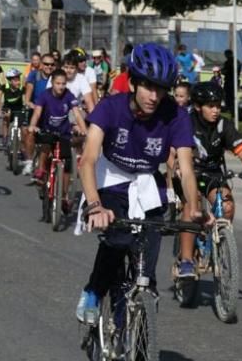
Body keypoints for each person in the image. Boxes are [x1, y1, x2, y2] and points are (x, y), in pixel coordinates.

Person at [75, 42, 207, 324]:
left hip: (147, 183)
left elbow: (185, 168)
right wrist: (95, 206)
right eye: (148, 86)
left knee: (148, 259)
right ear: (133, 82)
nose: (154, 95)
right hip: (110, 179)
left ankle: (141, 354)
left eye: (161, 88)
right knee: (119, 238)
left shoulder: (176, 114)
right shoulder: (110, 107)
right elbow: (87, 159)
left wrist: (194, 208)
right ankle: (94, 291)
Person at [172, 82, 242, 279]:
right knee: (190, 205)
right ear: (197, 106)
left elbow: (241, 149)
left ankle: (220, 242)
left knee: (227, 205)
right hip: (188, 173)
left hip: (213, 173)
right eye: (210, 106)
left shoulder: (224, 125)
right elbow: (171, 152)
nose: (215, 110)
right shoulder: (185, 122)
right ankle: (186, 261)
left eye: (218, 106)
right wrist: (175, 167)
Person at [28, 68, 88, 207]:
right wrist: (32, 125)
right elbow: (37, 113)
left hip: (63, 133)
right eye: (58, 83)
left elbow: (77, 114)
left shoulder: (69, 95)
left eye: (63, 83)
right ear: (52, 83)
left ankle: (64, 195)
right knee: (46, 143)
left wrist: (84, 130)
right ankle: (41, 169)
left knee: (66, 164)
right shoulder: (44, 95)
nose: (61, 86)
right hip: (47, 130)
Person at [23, 53, 56, 175]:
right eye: (46, 64)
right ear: (41, 65)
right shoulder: (34, 75)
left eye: (52, 64)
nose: (49, 67)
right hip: (36, 110)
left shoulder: (56, 77)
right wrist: (29, 103)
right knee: (30, 133)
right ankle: (29, 161)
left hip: (51, 113)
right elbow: (28, 94)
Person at [0, 68, 27, 149]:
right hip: (7, 107)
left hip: (19, 108)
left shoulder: (22, 88)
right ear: (10, 81)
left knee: (22, 126)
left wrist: (26, 105)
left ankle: (22, 143)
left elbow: (25, 98)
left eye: (18, 80)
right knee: (6, 120)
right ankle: (4, 139)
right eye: (15, 80)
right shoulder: (5, 87)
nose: (18, 82)